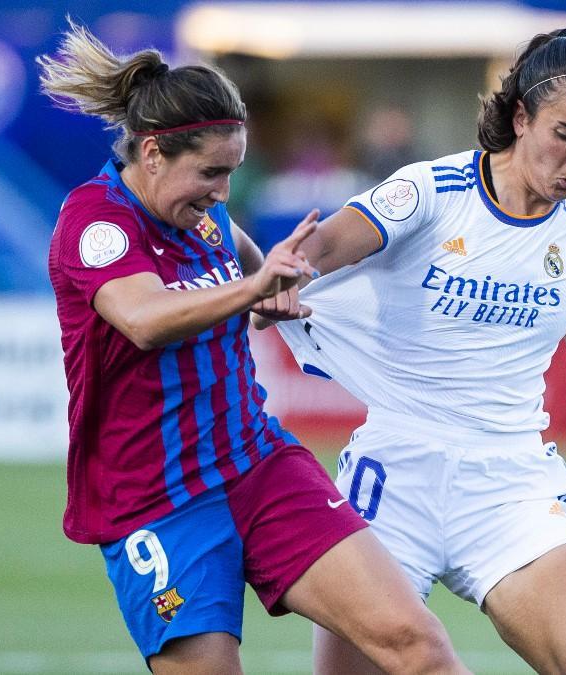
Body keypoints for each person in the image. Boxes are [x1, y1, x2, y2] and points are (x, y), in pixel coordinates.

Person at [267, 29, 566, 674]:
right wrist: (283, 277)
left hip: (510, 488)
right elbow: (325, 249)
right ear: (521, 117)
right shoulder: (431, 192)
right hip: (396, 476)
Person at [37, 22, 467, 674]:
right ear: (152, 154)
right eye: (210, 172)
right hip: (157, 501)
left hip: (257, 465)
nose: (222, 191)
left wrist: (269, 286)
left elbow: (243, 259)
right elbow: (145, 319)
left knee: (416, 643)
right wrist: (254, 288)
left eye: (233, 172)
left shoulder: (203, 215)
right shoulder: (96, 222)